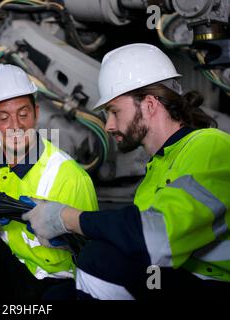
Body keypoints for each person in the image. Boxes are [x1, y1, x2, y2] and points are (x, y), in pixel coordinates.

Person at [23, 43, 230, 299]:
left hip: (212, 285)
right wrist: (70, 233)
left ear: (150, 105)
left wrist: (66, 218)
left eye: (114, 111)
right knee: (55, 297)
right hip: (176, 278)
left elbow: (156, 238)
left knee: (100, 259)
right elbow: (135, 238)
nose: (108, 125)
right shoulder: (157, 168)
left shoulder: (209, 145)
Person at [0, 64, 98, 300]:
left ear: (36, 112)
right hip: (9, 264)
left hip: (54, 280)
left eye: (23, 114)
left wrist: (63, 234)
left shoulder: (69, 176)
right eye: (3, 117)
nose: (15, 126)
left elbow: (92, 253)